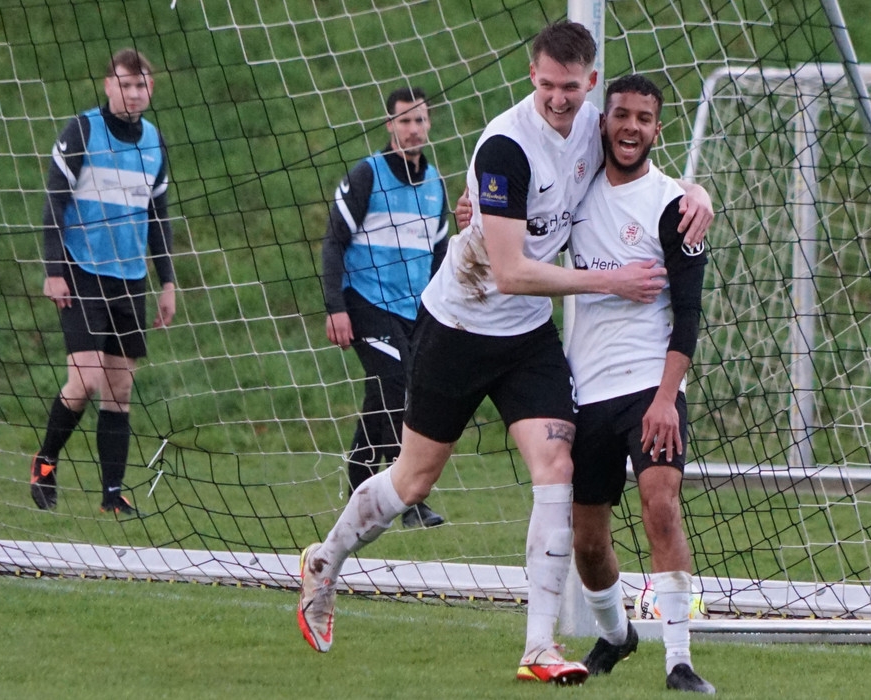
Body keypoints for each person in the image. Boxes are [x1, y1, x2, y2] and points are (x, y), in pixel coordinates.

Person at [297, 21, 712, 684]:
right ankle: (326, 561)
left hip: (526, 338)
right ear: (531, 78)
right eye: (547, 86)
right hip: (459, 325)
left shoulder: (595, 124)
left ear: (591, 82)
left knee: (556, 466)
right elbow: (512, 272)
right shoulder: (505, 147)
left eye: (570, 87)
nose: (559, 99)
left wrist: (697, 193)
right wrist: (608, 280)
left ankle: (539, 647)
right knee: (413, 480)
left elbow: (641, 166)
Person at [566, 74, 715, 694]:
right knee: (587, 541)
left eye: (644, 118)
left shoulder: (675, 206)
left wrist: (665, 399)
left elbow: (689, 313)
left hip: (651, 385)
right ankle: (616, 633)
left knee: (661, 505)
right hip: (585, 390)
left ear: (658, 129)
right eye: (621, 115)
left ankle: (678, 660)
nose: (631, 127)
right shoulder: (574, 190)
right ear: (604, 121)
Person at [29, 48, 176, 516]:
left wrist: (167, 283)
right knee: (87, 380)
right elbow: (54, 202)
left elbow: (158, 217)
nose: (133, 93)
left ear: (150, 89)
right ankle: (45, 462)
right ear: (108, 86)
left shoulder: (154, 142)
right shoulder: (83, 131)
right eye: (124, 84)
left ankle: (112, 495)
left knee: (119, 390)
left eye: (140, 85)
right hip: (81, 271)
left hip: (130, 279)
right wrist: (54, 270)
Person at [321, 87, 448, 530]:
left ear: (429, 124)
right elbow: (334, 242)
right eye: (405, 120)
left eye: (420, 120)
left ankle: (360, 485)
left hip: (413, 312)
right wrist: (335, 306)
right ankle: (407, 499)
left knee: (388, 395)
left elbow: (439, 257)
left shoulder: (435, 184)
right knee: (396, 385)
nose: (413, 129)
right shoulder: (367, 175)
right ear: (390, 125)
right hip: (365, 302)